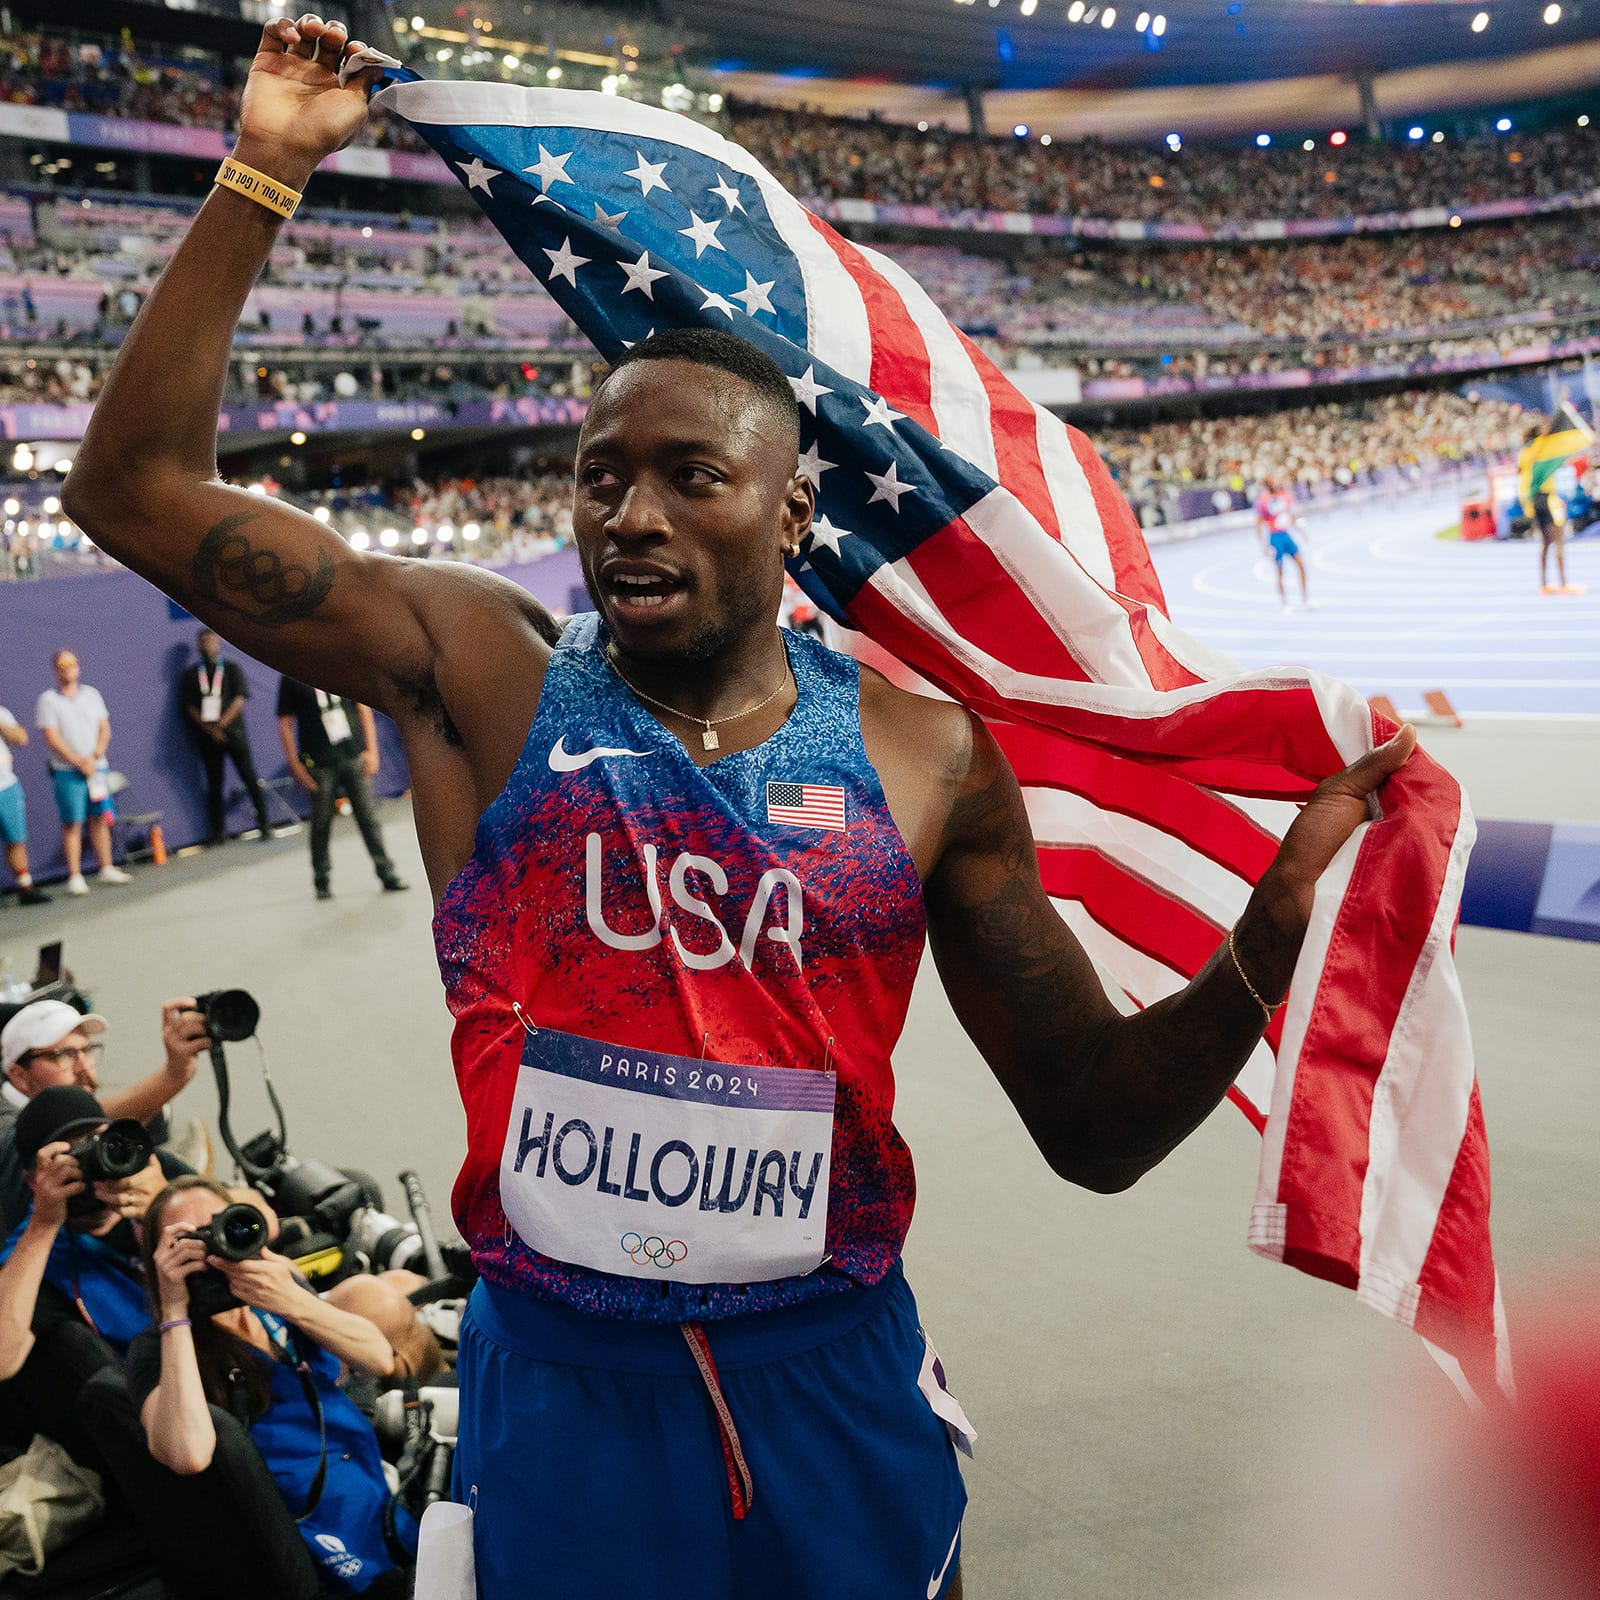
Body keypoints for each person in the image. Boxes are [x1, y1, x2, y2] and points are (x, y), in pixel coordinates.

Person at [61, 19, 1418, 1596]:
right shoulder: (480, 672)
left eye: (688, 476)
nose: (627, 515)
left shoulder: (924, 760)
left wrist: (1268, 936)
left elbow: (1097, 1127)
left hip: (830, 1382)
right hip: (563, 1387)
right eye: (597, 475)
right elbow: (134, 493)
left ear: (791, 507)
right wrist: (263, 168)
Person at [133, 1176, 416, 1596]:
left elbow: (376, 1358)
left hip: (373, 1498)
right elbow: (187, 1453)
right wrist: (175, 1309)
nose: (208, 1247)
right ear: (160, 1257)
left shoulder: (275, 1292)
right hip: (313, 1540)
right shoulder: (157, 1348)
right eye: (187, 1239)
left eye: (217, 1227)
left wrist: (288, 1298)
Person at [0, 1087, 168, 1472]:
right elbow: (2, 1358)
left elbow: (263, 1223)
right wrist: (44, 1221)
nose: (92, 1164)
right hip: (156, 1407)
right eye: (69, 1155)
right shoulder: (38, 1245)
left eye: (97, 1142)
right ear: (32, 1179)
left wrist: (167, 1203)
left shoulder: (146, 1183)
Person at [0, 998, 211, 1234]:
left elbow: (92, 1113)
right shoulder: (7, 1134)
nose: (84, 1067)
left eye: (87, 1050)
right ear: (18, 1075)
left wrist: (160, 1198)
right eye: (64, 1054)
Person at [276, 678, 407, 901]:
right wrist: (296, 766)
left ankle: (387, 873)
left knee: (368, 817)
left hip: (352, 755)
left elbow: (362, 707)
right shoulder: (292, 675)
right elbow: (285, 723)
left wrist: (372, 751)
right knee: (321, 823)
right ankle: (321, 880)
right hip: (319, 763)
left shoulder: (334, 663)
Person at [35, 649, 131, 896]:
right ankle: (75, 876)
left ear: (79, 667)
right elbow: (52, 738)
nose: (68, 668)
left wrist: (95, 756)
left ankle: (106, 867)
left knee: (99, 818)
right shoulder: (48, 700)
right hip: (68, 772)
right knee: (73, 823)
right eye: (62, 665)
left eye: (72, 663)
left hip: (97, 769)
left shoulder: (92, 695)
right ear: (56, 670)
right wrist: (79, 761)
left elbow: (104, 728)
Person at [180, 628, 275, 844]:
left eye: (210, 639)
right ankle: (218, 831)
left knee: (250, 777)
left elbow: (240, 698)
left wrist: (222, 724)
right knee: (214, 784)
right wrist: (210, 729)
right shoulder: (191, 675)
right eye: (202, 641)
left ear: (218, 641)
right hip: (208, 738)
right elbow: (189, 706)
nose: (206, 644)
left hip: (234, 734)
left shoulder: (232, 669)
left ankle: (265, 823)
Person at [0, 706, 50, 904]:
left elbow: (21, 738)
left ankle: (25, 888)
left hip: (6, 787)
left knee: (16, 838)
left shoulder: (1, 712)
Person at [1255, 477, 1311, 612]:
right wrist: (1263, 546)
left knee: (1301, 565)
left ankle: (1305, 599)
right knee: (1279, 571)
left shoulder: (1284, 496)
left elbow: (1290, 515)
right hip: (1275, 537)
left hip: (1286, 535)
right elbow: (1258, 523)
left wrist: (1301, 531)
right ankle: (1285, 602)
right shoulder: (1263, 500)